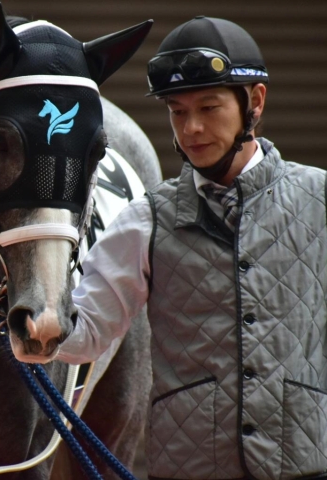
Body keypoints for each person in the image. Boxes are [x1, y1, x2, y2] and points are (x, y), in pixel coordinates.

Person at [55, 16, 327, 480]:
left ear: (255, 102)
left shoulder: (319, 198)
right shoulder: (146, 220)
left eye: (209, 107)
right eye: (177, 111)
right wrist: (15, 305)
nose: (192, 128)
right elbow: (83, 336)